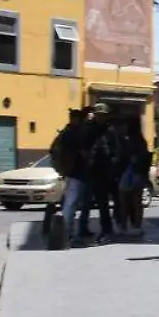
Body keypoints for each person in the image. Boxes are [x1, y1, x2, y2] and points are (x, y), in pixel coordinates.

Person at [79, 103, 120, 245]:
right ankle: (90, 229)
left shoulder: (110, 130)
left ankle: (109, 229)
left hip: (107, 170)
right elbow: (83, 147)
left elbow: (116, 150)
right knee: (92, 203)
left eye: (103, 115)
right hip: (92, 170)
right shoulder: (89, 129)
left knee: (109, 202)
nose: (100, 117)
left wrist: (112, 163)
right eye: (98, 115)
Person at [52, 108, 91, 237]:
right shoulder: (73, 133)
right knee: (71, 203)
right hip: (75, 172)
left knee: (71, 203)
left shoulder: (67, 132)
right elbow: (81, 152)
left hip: (71, 172)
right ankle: (66, 232)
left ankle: (68, 231)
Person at [117, 121, 152, 239]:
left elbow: (121, 158)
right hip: (138, 173)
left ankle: (124, 226)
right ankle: (136, 226)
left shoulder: (126, 142)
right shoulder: (141, 142)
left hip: (128, 173)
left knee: (124, 202)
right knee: (136, 202)